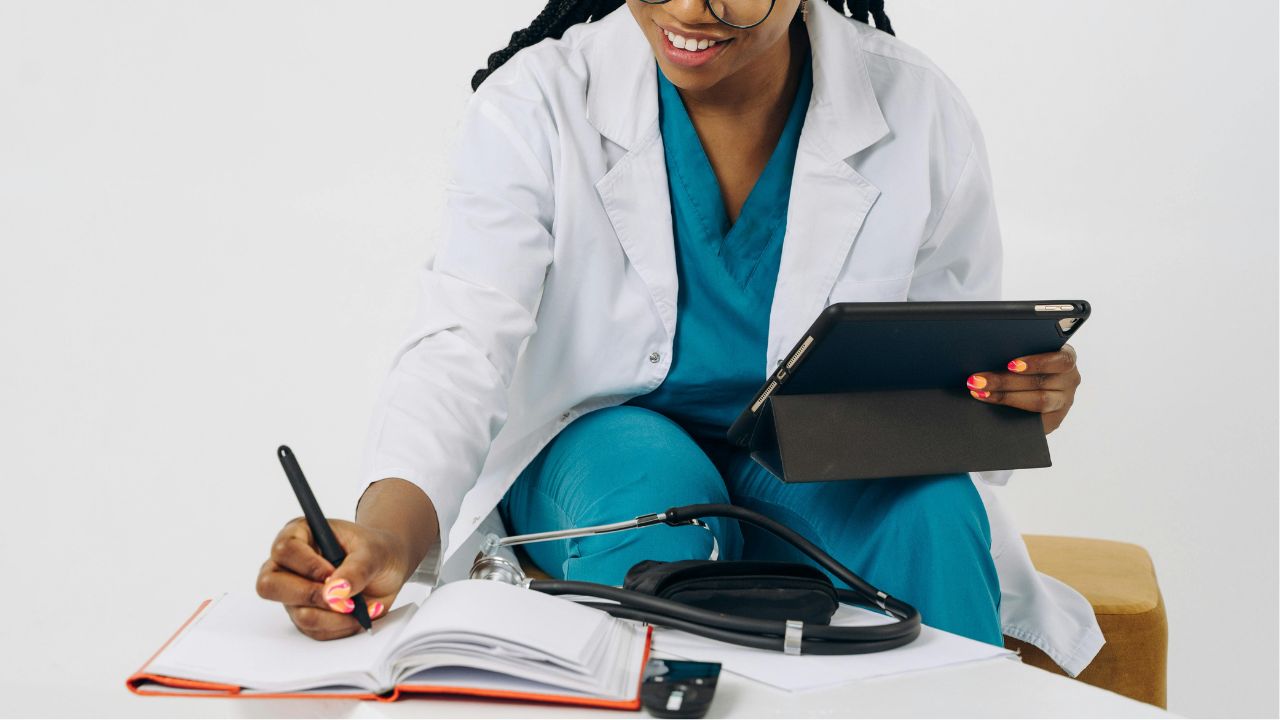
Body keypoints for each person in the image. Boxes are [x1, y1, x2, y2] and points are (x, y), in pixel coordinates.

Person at [255, 0, 1104, 675]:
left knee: (935, 508)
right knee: (657, 489)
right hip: (600, 454)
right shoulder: (538, 101)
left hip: (808, 468)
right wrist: (391, 539)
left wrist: (1012, 402)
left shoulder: (918, 109)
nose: (689, 11)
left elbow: (946, 384)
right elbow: (460, 342)